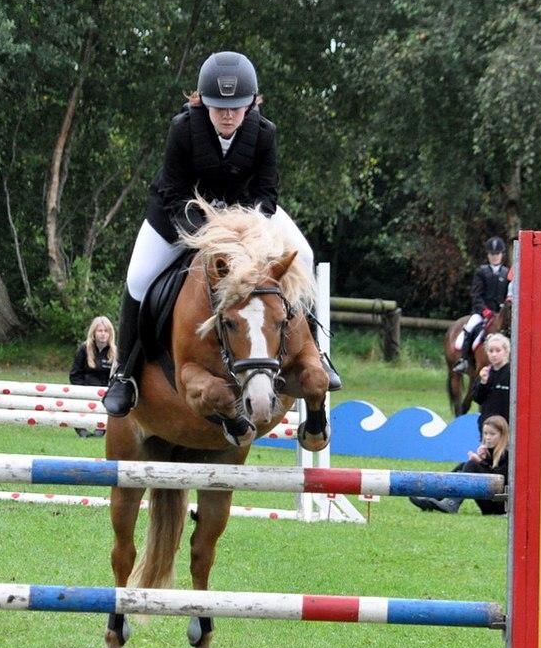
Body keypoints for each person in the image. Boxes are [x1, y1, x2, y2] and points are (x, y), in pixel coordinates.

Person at [103, 50, 340, 417]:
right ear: (203, 103)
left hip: (247, 219)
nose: (227, 115)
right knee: (139, 277)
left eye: (236, 107)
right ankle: (125, 375)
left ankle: (316, 354)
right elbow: (175, 194)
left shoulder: (264, 133)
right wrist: (211, 236)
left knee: (304, 256)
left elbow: (266, 195)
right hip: (180, 216)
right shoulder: (183, 129)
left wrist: (248, 235)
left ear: (250, 104)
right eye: (218, 107)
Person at [410, 415, 509, 515]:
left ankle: (452, 503)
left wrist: (480, 462)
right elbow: (489, 470)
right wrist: (484, 459)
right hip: (489, 504)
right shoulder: (489, 451)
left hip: (499, 506)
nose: (487, 437)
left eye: (492, 434)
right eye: (485, 433)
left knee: (472, 465)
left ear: (503, 435)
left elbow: (500, 480)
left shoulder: (508, 454)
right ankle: (435, 496)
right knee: (463, 465)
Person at [452, 236, 510, 374]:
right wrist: (483, 310)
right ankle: (464, 360)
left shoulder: (506, 273)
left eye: (497, 254)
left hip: (500, 313)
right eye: (492, 254)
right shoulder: (481, 272)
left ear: (502, 255)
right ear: (488, 255)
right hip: (481, 312)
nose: (495, 257)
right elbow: (476, 295)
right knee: (470, 328)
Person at [69, 316, 116, 437]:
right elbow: (75, 374)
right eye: (100, 331)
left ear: (110, 333)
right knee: (76, 403)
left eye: (106, 331)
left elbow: (116, 376)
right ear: (94, 332)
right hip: (85, 390)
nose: (103, 334)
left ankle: (100, 429)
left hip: (105, 392)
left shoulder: (115, 352)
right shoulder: (84, 349)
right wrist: (81, 390)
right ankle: (81, 430)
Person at [471, 333, 510, 436]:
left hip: (505, 427)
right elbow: (477, 398)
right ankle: (465, 359)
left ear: (506, 352)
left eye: (498, 350)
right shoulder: (485, 372)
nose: (494, 354)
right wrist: (483, 382)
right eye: (491, 351)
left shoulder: (512, 373)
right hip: (487, 427)